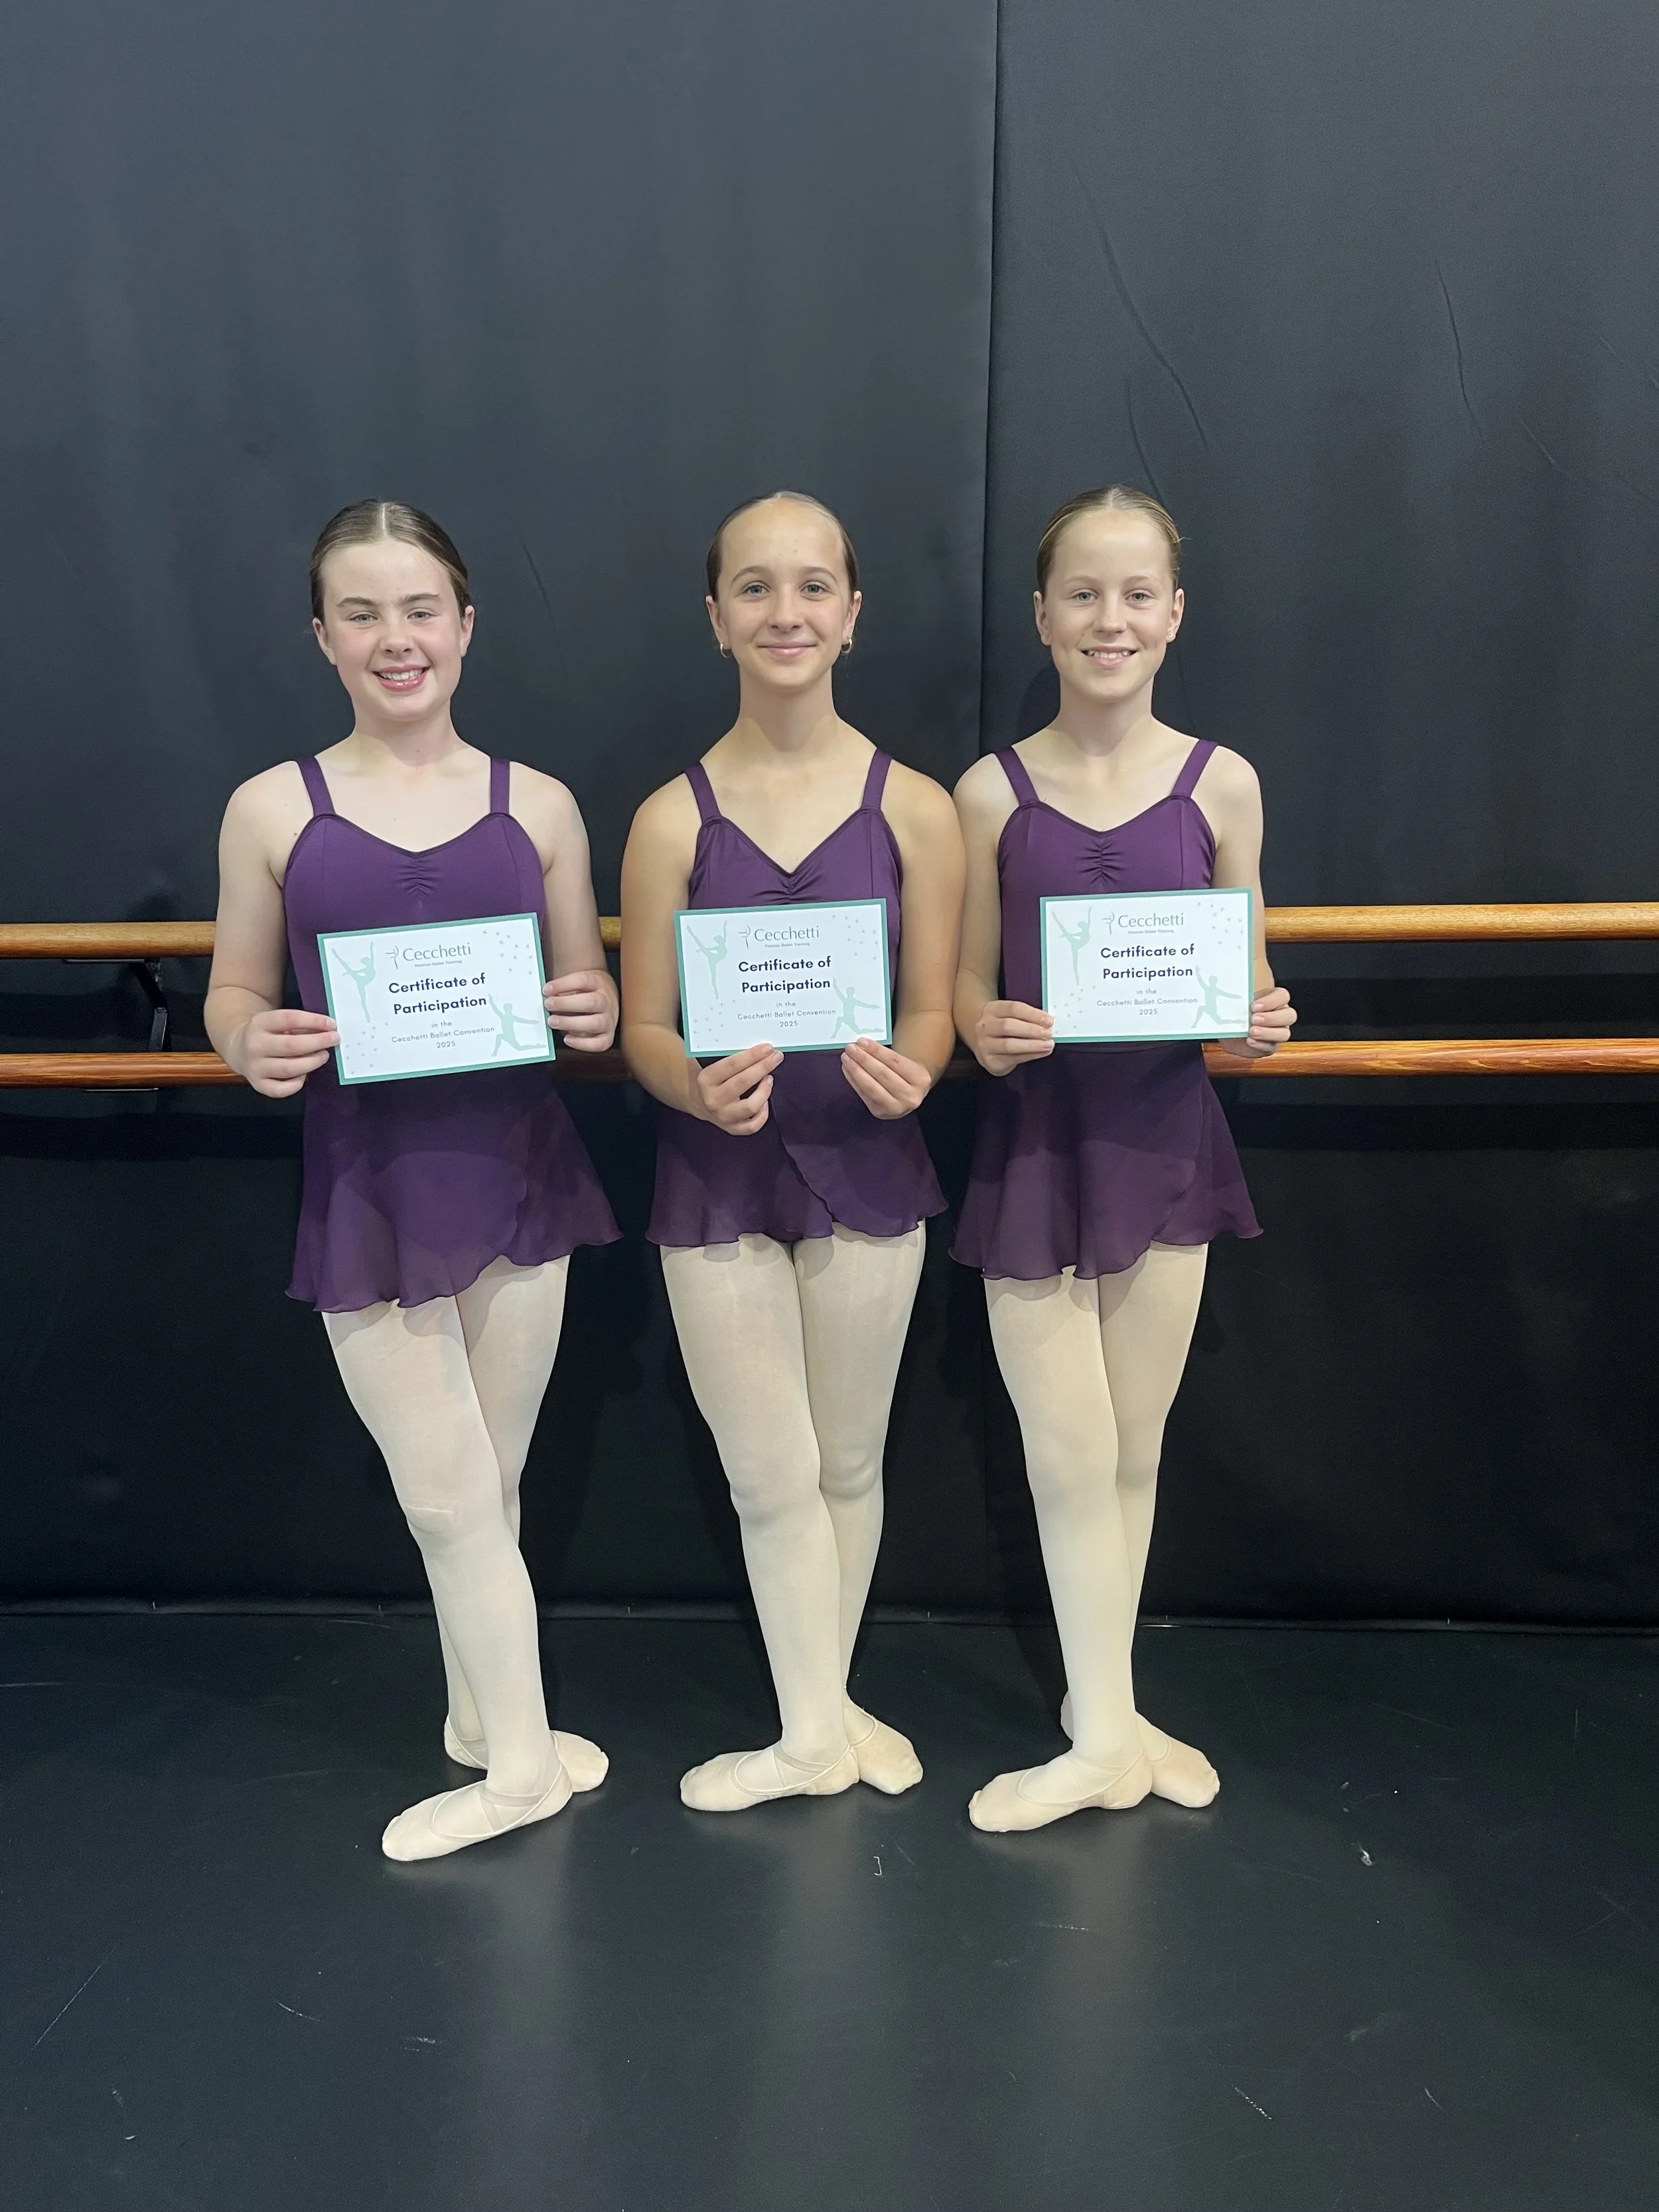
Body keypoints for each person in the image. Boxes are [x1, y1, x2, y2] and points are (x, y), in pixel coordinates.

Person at [204, 500, 620, 1861]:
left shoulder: (538, 803)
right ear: (322, 635)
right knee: (443, 1497)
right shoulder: (273, 806)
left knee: (487, 1487)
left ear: (466, 623)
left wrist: (594, 1012)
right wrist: (245, 1040)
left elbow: (587, 996)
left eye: (420, 607)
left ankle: (474, 1720)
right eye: (364, 612)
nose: (398, 638)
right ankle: (519, 1766)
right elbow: (230, 993)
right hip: (370, 1191)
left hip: (516, 1181)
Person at [952, 484, 1296, 1833]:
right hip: (1035, 1150)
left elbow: (1244, 989)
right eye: (1082, 594)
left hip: (1164, 1149)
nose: (1109, 618)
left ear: (1173, 614)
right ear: (1041, 616)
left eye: (1134, 593)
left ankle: (1110, 1707)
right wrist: (985, 1025)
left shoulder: (1223, 782)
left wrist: (1261, 1026)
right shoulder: (990, 789)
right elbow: (968, 997)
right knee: (1066, 1448)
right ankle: (1099, 1730)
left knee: (1132, 1445)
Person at [620, 491, 965, 1811]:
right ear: (716, 619)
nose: (785, 612)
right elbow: (645, 1027)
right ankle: (815, 1736)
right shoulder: (667, 820)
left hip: (867, 1169)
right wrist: (693, 1090)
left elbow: (932, 1006)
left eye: (811, 585)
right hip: (714, 1180)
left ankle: (815, 1713)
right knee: (765, 1470)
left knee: (847, 1462)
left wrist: (916, 1066)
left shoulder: (918, 810)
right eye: (754, 588)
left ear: (852, 613)